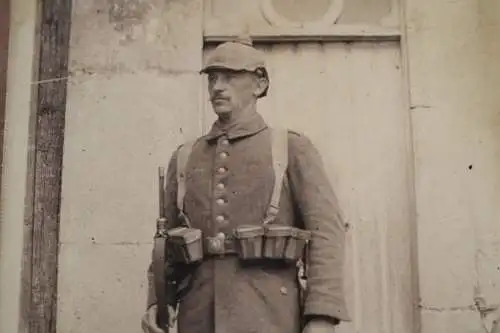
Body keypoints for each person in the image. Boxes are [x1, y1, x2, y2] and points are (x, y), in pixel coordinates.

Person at [141, 36, 350, 333]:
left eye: (230, 77)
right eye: (212, 78)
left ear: (259, 84)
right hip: (199, 314)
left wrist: (321, 316)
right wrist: (157, 300)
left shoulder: (290, 148)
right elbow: (167, 243)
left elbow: (326, 233)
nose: (217, 87)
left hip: (270, 315)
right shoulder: (185, 157)